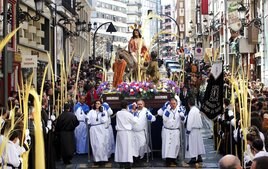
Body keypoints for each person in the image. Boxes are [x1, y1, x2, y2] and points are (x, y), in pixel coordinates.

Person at [157, 98, 186, 166]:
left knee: (175, 145)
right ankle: (168, 161)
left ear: (176, 103)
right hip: (167, 130)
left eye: (174, 103)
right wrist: (167, 111)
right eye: (171, 103)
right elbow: (164, 119)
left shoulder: (179, 110)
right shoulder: (166, 110)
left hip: (175, 130)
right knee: (167, 146)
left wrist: (182, 116)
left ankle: (174, 159)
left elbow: (183, 121)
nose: (172, 105)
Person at [114, 100, 139, 169]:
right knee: (127, 148)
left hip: (119, 133)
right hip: (126, 133)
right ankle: (127, 164)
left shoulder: (118, 113)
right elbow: (135, 121)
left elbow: (126, 110)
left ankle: (121, 163)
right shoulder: (129, 114)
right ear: (126, 106)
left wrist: (130, 107)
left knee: (120, 148)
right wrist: (136, 114)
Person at [86, 100, 109, 165]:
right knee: (94, 144)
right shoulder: (91, 111)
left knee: (101, 144)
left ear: (101, 104)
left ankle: (102, 159)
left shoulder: (104, 111)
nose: (97, 105)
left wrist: (102, 113)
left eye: (98, 104)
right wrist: (88, 121)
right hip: (93, 129)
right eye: (96, 103)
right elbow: (87, 118)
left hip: (100, 128)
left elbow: (104, 120)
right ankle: (96, 159)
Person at [185, 97, 205, 164]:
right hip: (198, 129)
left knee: (193, 144)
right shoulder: (197, 110)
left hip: (193, 130)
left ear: (188, 104)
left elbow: (189, 122)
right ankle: (199, 157)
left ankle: (193, 158)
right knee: (198, 144)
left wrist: (188, 130)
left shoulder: (191, 111)